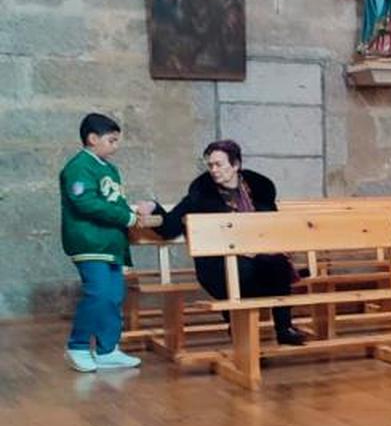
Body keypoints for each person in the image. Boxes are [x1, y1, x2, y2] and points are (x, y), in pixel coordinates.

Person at [154, 140, 305, 346]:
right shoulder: (201, 194)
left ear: (235, 165)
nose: (214, 170)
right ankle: (240, 332)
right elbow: (171, 226)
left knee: (278, 263)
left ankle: (284, 328)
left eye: (219, 164)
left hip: (258, 259)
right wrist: (155, 210)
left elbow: (271, 227)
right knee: (241, 268)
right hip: (217, 265)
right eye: (210, 165)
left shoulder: (259, 190)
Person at [60, 112, 159, 372]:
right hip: (90, 241)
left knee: (114, 295)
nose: (116, 146)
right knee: (98, 293)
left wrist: (133, 209)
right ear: (93, 138)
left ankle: (107, 350)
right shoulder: (78, 167)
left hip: (112, 243)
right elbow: (85, 203)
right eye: (112, 140)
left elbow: (112, 203)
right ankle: (78, 346)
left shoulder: (111, 169)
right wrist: (126, 216)